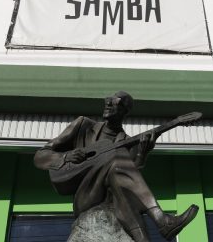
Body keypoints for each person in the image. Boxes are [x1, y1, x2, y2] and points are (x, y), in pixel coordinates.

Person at [34, 91, 198, 241]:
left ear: (125, 111)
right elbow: (40, 156)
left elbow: (131, 180)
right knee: (116, 156)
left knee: (121, 188)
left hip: (115, 200)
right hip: (86, 197)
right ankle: (161, 219)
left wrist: (142, 153)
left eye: (115, 103)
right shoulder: (83, 125)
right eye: (107, 100)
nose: (108, 104)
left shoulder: (127, 142)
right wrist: (66, 156)